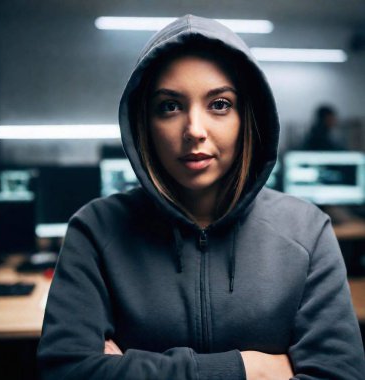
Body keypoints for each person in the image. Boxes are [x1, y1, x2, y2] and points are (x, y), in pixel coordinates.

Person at [37, 15, 365, 379]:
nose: (194, 130)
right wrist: (248, 370)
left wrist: (126, 368)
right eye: (170, 106)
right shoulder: (95, 230)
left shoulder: (307, 231)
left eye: (220, 104)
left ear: (248, 118)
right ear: (143, 123)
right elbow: (65, 371)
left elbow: (339, 374)